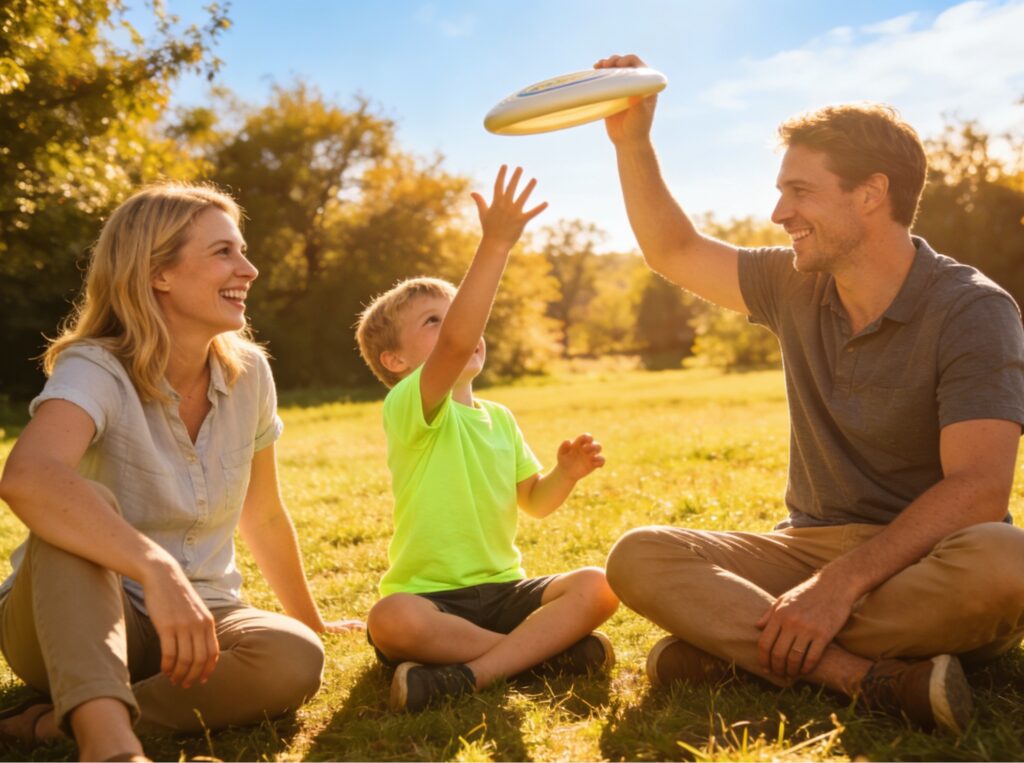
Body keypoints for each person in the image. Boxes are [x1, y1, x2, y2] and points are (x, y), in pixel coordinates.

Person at [595, 54, 1024, 734]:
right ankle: (859, 675)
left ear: (871, 193)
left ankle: (738, 647)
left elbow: (978, 490)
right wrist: (634, 142)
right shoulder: (795, 281)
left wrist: (838, 586)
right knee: (637, 554)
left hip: (924, 556)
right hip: (804, 546)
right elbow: (673, 250)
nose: (777, 212)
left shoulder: (973, 309)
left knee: (1009, 562)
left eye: (799, 191)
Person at [0, 183, 363, 761]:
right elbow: (29, 475)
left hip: (202, 617)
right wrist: (156, 569)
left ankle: (54, 725)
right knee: (79, 516)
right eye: (224, 252)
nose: (249, 268)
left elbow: (263, 513)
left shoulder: (251, 373)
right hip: (74, 615)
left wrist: (311, 622)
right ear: (158, 273)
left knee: (292, 657)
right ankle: (111, 747)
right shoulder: (96, 365)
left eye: (241, 250)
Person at [354, 166, 620, 713]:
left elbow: (535, 504)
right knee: (390, 620)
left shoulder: (500, 418)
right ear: (396, 362)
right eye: (435, 320)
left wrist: (564, 477)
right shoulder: (410, 406)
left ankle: (474, 673)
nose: (462, 329)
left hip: (504, 593)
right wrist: (496, 244)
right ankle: (540, 657)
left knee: (598, 584)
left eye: (459, 315)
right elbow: (453, 348)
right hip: (431, 602)